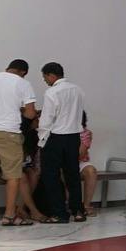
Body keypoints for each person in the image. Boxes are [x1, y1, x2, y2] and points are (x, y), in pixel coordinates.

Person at [37, 62, 88, 223]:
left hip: (55, 137)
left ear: (51, 75)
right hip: (73, 137)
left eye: (45, 77)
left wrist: (42, 139)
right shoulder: (78, 90)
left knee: (51, 176)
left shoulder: (52, 92)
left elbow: (47, 119)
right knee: (73, 174)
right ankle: (78, 211)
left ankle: (59, 213)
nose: (45, 80)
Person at [0, 59, 42, 226]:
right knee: (13, 175)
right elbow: (30, 113)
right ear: (23, 72)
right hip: (8, 133)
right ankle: (9, 216)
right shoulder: (23, 83)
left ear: (8, 68)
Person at [78, 119, 98, 216]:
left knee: (91, 171)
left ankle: (86, 206)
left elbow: (81, 154)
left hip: (79, 161)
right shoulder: (57, 130)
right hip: (60, 162)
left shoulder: (85, 133)